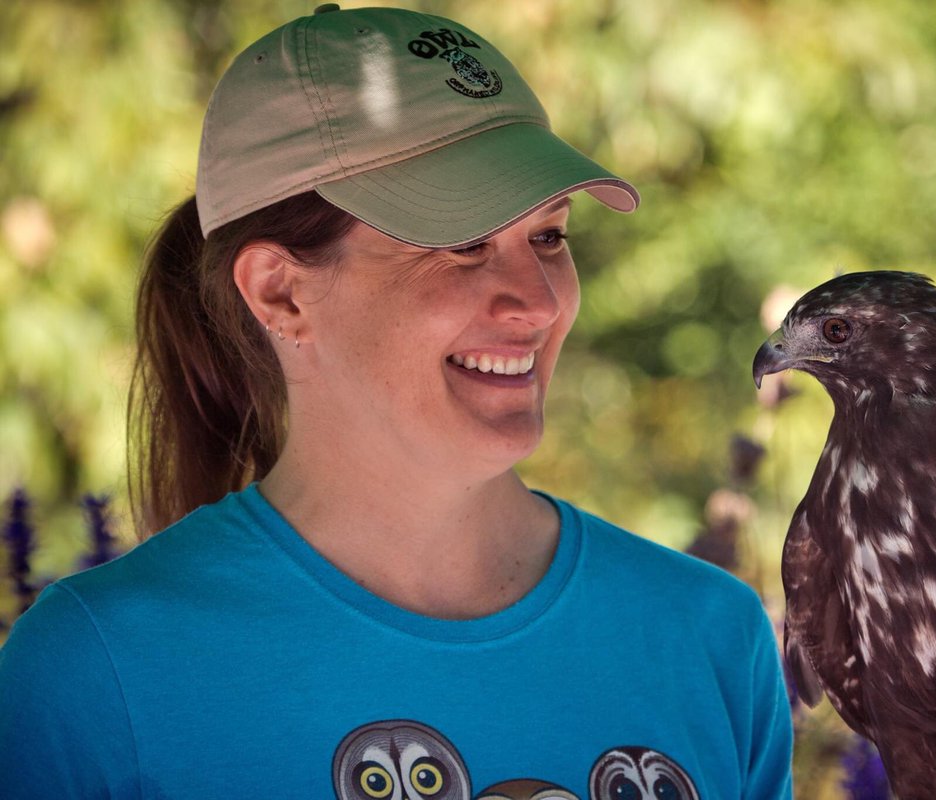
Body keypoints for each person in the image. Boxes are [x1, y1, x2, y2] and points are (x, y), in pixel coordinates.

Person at [0, 6, 793, 797]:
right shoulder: (95, 676)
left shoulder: (708, 640)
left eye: (548, 236)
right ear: (280, 293)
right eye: (463, 244)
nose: (538, 302)